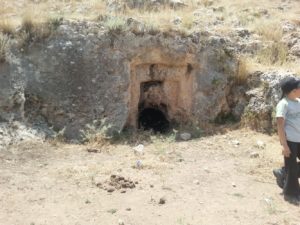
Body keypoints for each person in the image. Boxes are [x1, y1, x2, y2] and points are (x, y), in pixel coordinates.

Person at [273, 77, 300, 204]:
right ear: (294, 91)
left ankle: (282, 172)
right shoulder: (283, 104)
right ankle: (291, 194)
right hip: (290, 141)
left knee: (291, 168)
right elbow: (280, 125)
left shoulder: (298, 101)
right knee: (292, 167)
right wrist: (284, 145)